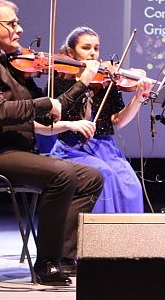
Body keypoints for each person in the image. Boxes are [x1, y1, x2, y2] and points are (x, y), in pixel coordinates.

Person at [0, 0, 104, 286]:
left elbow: (50, 111)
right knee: (61, 174)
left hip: (12, 152)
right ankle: (46, 263)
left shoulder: (9, 66)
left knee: (91, 177)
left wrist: (81, 83)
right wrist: (44, 103)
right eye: (11, 23)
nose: (20, 29)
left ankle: (64, 257)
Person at [44, 26, 153, 215]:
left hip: (106, 149)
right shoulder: (59, 80)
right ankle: (98, 232)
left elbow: (117, 121)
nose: (93, 53)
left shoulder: (106, 81)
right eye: (86, 48)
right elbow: (49, 120)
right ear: (71, 51)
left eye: (96, 48)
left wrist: (139, 98)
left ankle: (128, 234)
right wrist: (83, 81)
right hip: (71, 149)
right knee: (104, 175)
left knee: (131, 184)